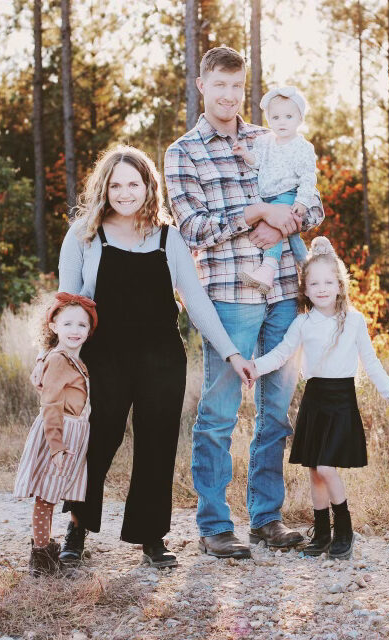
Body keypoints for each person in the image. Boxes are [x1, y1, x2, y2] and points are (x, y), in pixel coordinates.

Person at [43, 145, 252, 569]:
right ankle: (77, 527)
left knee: (157, 443)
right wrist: (62, 362)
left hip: (161, 356)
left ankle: (152, 536)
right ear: (104, 188)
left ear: (148, 187)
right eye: (116, 184)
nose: (124, 193)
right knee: (97, 441)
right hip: (104, 355)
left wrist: (231, 352)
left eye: (133, 184)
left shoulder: (167, 238)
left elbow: (195, 302)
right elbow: (68, 307)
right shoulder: (83, 234)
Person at [165, 45, 325, 559]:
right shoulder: (182, 152)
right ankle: (214, 524)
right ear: (201, 86)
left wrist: (288, 218)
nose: (229, 96)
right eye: (220, 85)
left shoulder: (271, 136)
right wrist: (254, 212)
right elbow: (192, 228)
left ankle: (266, 518)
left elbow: (314, 200)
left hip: (284, 291)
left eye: (238, 87)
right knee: (219, 413)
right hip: (229, 296)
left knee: (275, 413)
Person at [245, 237, 389, 560]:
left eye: (328, 282)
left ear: (340, 285)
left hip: (341, 401)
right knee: (315, 471)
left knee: (326, 466)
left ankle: (344, 529)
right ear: (305, 288)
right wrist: (253, 367)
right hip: (315, 400)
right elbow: (280, 354)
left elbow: (371, 362)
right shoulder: (303, 323)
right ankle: (321, 533)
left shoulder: (355, 321)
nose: (321, 288)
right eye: (314, 283)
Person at [14, 292, 98, 577]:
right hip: (59, 432)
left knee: (51, 495)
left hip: (73, 430)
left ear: (89, 330)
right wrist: (56, 446)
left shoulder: (75, 359)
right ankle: (41, 560)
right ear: (53, 326)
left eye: (82, 325)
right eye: (68, 324)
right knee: (46, 497)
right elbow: (50, 404)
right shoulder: (59, 359)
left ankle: (45, 554)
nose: (75, 331)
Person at [232, 85, 319, 293]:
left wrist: (302, 201)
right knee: (291, 234)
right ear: (269, 119)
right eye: (276, 117)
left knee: (278, 228)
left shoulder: (302, 147)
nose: (281, 122)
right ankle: (308, 268)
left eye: (288, 116)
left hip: (288, 195)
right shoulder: (265, 142)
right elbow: (257, 163)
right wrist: (245, 153)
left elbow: (309, 177)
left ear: (300, 119)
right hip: (268, 198)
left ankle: (267, 270)